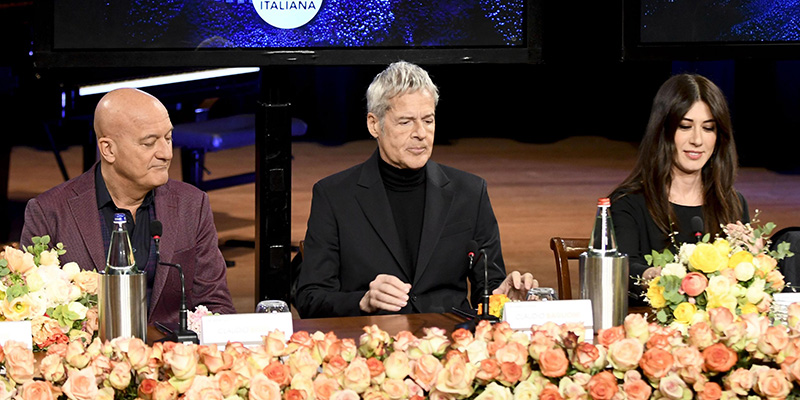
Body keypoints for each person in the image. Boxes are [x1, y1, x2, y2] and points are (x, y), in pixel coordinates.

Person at [295, 61, 536, 318]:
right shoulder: (334, 196)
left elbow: (487, 292)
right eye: (406, 122)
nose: (421, 133)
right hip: (371, 344)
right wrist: (363, 301)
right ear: (374, 125)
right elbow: (310, 299)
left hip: (450, 342)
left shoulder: (470, 192)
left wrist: (503, 300)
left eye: (428, 120)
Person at [20, 88, 236, 324]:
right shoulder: (49, 212)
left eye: (168, 138)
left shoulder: (191, 204)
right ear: (108, 149)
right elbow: (34, 315)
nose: (166, 153)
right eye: (149, 143)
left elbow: (217, 305)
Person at [610, 74, 748, 303]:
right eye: (685, 126)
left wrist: (752, 257)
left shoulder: (732, 203)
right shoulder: (627, 202)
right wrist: (649, 275)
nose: (697, 140)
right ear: (663, 131)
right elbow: (621, 266)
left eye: (708, 128)